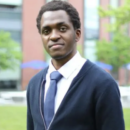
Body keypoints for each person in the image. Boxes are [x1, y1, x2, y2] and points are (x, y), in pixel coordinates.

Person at [26, 1, 125, 130]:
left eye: (62, 29)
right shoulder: (34, 84)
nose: (54, 36)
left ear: (77, 34)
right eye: (46, 31)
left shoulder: (103, 84)